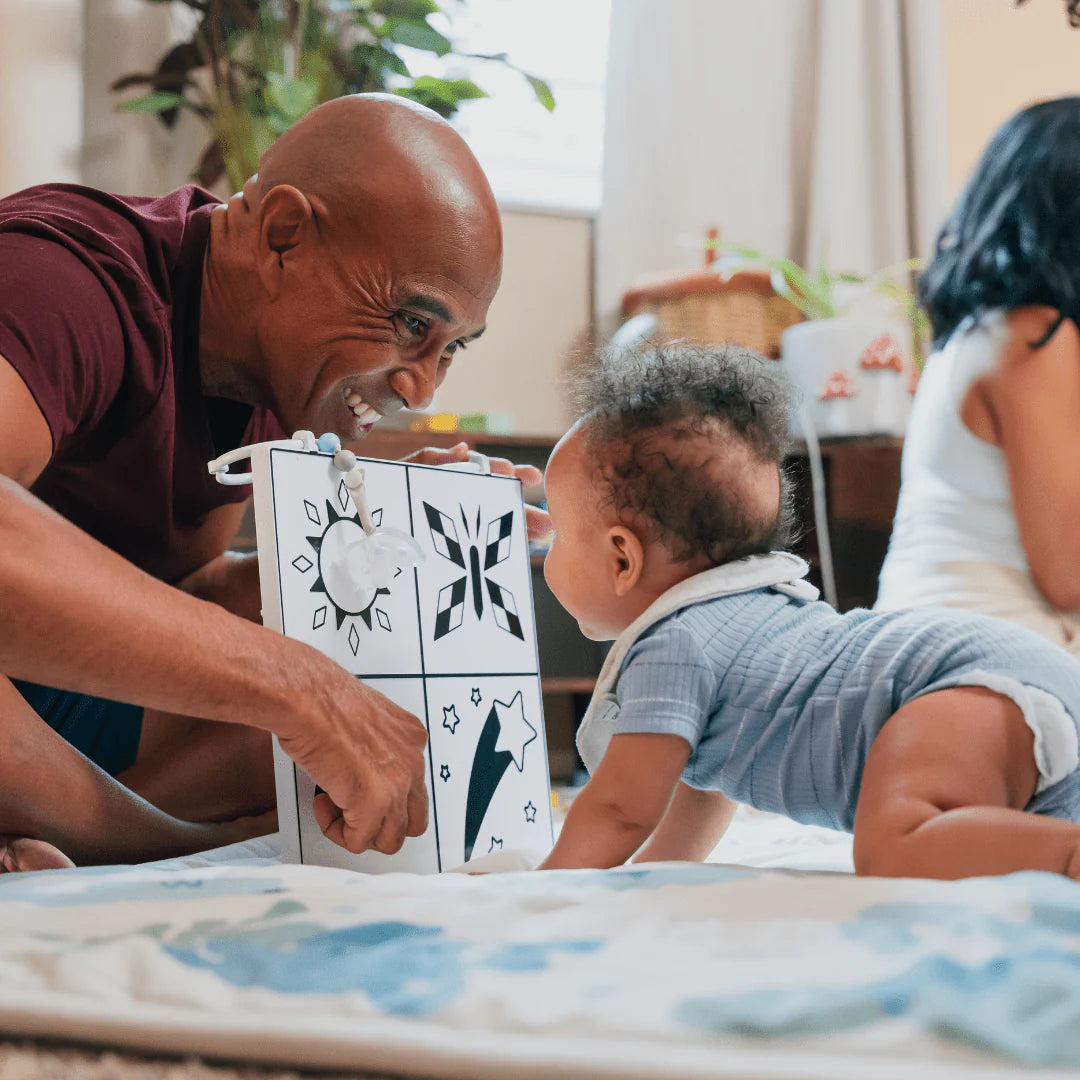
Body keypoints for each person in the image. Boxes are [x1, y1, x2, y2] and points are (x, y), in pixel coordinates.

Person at [0, 93, 549, 872]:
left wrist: (388, 544)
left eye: (453, 348)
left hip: (47, 690)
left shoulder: (269, 380)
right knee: (307, 709)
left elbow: (179, 594)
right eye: (412, 324)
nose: (425, 389)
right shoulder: (65, 277)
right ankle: (145, 844)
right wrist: (299, 688)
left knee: (358, 756)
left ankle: (84, 838)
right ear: (285, 236)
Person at [538, 343, 1080, 880]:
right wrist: (658, 871)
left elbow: (619, 807)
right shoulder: (744, 613)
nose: (547, 550)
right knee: (969, 846)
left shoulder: (671, 643)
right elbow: (702, 785)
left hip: (958, 692)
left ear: (622, 558)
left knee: (895, 846)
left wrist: (543, 885)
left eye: (558, 533)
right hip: (1015, 681)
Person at [876, 97, 1080, 655]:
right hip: (987, 653)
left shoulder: (980, 333)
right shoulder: (1033, 338)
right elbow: (1068, 573)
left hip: (936, 639)